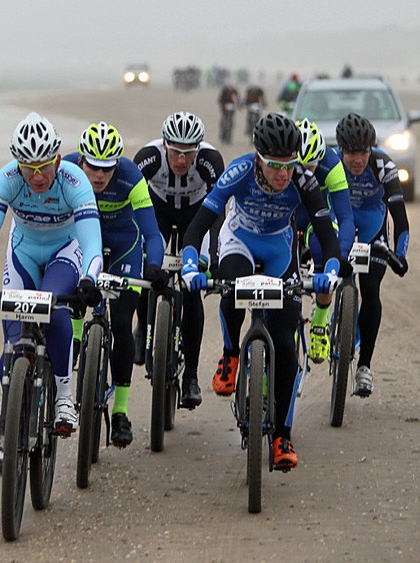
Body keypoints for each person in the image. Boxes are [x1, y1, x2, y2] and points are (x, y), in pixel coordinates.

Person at [180, 114, 345, 470]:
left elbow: (327, 236)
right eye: (274, 166)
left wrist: (329, 271)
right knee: (231, 283)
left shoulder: (303, 179)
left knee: (285, 341)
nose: (283, 174)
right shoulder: (238, 172)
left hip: (277, 249)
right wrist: (191, 262)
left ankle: (282, 436)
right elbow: (199, 225)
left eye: (289, 165)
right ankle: (230, 354)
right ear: (258, 157)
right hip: (239, 239)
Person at [0, 112, 103, 474]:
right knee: (12, 345)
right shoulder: (7, 178)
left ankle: (65, 398)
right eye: (27, 168)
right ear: (17, 164)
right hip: (22, 251)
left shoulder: (74, 180)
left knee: (53, 308)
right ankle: (7, 438)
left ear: (56, 159)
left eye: (43, 167)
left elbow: (91, 241)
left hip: (65, 253)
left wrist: (88, 279)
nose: (36, 176)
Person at [63, 122, 167, 448]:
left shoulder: (131, 176)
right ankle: (78, 339)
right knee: (75, 297)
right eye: (93, 167)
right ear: (81, 161)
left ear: (116, 164)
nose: (99, 175)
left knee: (122, 323)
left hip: (125, 244)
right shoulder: (66, 168)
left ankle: (120, 410)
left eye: (107, 168)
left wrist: (154, 265)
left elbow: (151, 232)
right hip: (81, 240)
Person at [132, 112, 225, 409]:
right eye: (175, 152)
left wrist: (211, 255)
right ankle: (142, 326)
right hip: (156, 210)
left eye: (188, 153)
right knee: (147, 269)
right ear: (164, 145)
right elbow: (132, 204)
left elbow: (217, 211)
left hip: (195, 216)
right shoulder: (148, 157)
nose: (182, 160)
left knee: (191, 286)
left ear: (198, 149)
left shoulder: (211, 160)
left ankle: (192, 377)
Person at [334, 113, 409, 397]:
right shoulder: (331, 164)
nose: (358, 159)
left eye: (364, 151)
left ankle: (364, 366)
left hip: (372, 226)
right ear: (341, 149)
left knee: (371, 288)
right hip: (340, 221)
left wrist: (400, 254)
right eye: (352, 152)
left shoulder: (382, 165)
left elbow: (400, 218)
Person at [292, 120, 354, 363]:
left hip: (316, 217)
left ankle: (320, 320)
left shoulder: (331, 163)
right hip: (287, 216)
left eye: (311, 167)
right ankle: (288, 320)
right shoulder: (280, 162)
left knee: (322, 248)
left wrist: (341, 255)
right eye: (300, 166)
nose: (306, 173)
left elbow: (346, 216)